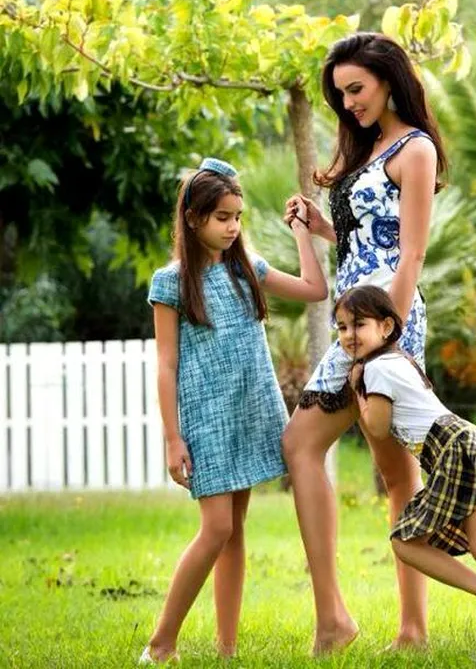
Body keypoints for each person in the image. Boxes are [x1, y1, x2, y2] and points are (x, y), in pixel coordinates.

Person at [281, 31, 448, 654]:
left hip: (387, 326)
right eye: (341, 95)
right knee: (361, 462)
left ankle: (409, 630)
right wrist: (318, 224)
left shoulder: (415, 149)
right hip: (356, 324)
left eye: (357, 89)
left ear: (388, 79)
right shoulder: (368, 147)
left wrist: (386, 342)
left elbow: (410, 255)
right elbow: (365, 241)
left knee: (388, 470)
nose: (349, 103)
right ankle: (339, 619)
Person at [140, 158, 327, 663]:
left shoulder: (248, 269)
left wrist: (303, 234)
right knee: (217, 527)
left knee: (234, 531)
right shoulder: (170, 283)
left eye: (238, 217)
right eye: (222, 217)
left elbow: (316, 290)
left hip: (250, 409)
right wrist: (173, 438)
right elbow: (166, 365)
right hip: (206, 419)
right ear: (193, 217)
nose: (232, 227)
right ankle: (160, 643)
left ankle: (226, 649)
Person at [337, 285, 476, 652]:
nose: (350, 335)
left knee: (404, 542)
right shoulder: (399, 360)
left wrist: (358, 392)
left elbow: (378, 428)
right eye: (342, 327)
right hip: (469, 439)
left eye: (359, 324)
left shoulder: (375, 370)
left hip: (450, 447)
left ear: (386, 327)